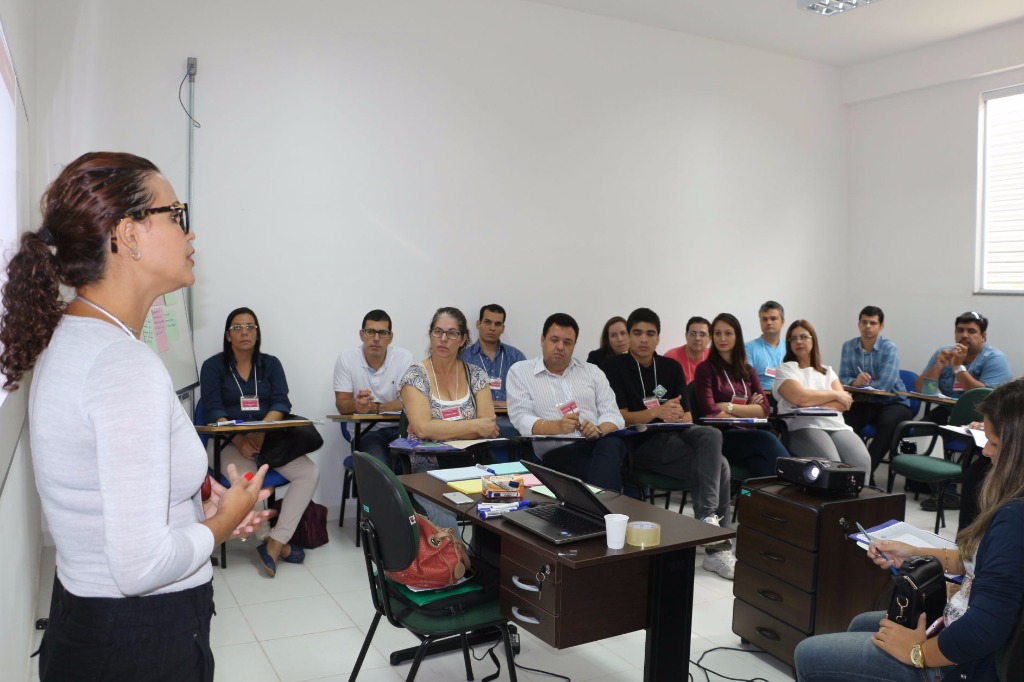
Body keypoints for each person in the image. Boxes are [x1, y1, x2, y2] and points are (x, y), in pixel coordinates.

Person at [0, 152, 268, 681]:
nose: (190, 234)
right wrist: (221, 522)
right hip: (140, 641)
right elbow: (140, 567)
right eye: (176, 215)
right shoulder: (123, 365)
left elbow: (107, 486)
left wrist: (196, 496)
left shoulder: (76, 336)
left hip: (91, 620)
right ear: (129, 234)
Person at [793, 378, 1024, 682]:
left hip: (963, 664)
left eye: (993, 443)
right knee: (862, 624)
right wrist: (913, 553)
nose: (986, 453)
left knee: (807, 655)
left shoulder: (1014, 521)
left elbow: (983, 630)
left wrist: (917, 653)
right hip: (955, 629)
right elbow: (978, 562)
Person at [601, 308, 736, 579]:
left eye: (650, 334)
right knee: (720, 466)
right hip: (640, 442)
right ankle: (715, 545)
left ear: (658, 338)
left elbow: (686, 415)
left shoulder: (670, 367)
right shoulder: (614, 367)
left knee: (712, 435)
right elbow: (618, 417)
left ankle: (707, 523)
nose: (643, 340)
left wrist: (675, 415)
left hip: (677, 435)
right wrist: (656, 413)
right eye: (637, 333)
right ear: (628, 336)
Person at [200, 307, 321, 578]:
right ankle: (268, 542)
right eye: (238, 328)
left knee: (309, 472)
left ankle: (277, 540)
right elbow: (214, 412)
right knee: (249, 479)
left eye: (250, 327)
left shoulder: (271, 364)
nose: (245, 333)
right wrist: (240, 439)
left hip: (268, 439)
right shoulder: (213, 366)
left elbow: (281, 401)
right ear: (228, 335)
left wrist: (261, 432)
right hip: (224, 442)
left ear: (258, 333)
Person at [507, 313, 628, 491]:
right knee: (604, 469)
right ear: (542, 340)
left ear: (574, 345)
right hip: (557, 451)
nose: (560, 347)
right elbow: (521, 418)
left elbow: (614, 416)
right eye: (554, 340)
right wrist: (557, 426)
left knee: (612, 443)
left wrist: (598, 429)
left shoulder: (592, 372)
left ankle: (600, 509)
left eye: (567, 342)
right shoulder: (521, 372)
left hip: (596, 444)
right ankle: (609, 509)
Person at [398, 306, 499, 473]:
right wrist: (475, 425)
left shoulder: (477, 375)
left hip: (473, 462)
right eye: (438, 331)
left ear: (462, 339)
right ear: (430, 335)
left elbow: (488, 427)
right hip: (429, 467)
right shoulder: (415, 376)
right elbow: (422, 429)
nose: (443, 338)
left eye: (452, 333)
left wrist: (437, 429)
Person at [693, 313, 790, 478]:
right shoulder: (705, 369)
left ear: (737, 336)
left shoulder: (747, 370)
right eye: (717, 333)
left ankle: (756, 500)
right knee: (766, 440)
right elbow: (711, 413)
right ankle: (799, 481)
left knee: (762, 468)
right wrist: (749, 409)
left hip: (749, 436)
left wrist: (728, 406)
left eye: (728, 333)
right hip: (721, 437)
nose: (722, 338)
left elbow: (764, 410)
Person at [774, 320, 871, 471]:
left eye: (804, 337)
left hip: (836, 426)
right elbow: (800, 397)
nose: (798, 341)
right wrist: (834, 394)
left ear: (813, 340)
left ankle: (857, 495)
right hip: (803, 426)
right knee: (833, 463)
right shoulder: (785, 369)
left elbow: (844, 403)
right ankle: (834, 495)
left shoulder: (827, 371)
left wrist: (812, 402)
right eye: (793, 338)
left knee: (862, 461)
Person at [837, 306, 913, 485]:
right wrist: (855, 382)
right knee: (844, 419)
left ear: (881, 326)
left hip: (894, 402)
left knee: (888, 423)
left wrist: (863, 384)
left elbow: (884, 385)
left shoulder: (889, 348)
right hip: (865, 401)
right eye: (864, 322)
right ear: (859, 324)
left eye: (873, 323)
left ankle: (865, 472)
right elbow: (842, 378)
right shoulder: (849, 346)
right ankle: (850, 469)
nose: (868, 327)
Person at [333, 309, 413, 464]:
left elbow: (409, 401)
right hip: (366, 432)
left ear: (390, 337)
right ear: (361, 334)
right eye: (370, 332)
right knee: (378, 467)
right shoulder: (347, 358)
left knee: (415, 464)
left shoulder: (404, 358)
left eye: (382, 333)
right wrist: (356, 405)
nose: (376, 338)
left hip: (401, 430)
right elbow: (342, 405)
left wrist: (376, 408)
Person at [915, 311, 1012, 422]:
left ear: (983, 336)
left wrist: (958, 367)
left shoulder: (996, 359)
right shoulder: (944, 353)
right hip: (948, 410)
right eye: (960, 330)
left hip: (981, 417)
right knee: (916, 433)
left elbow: (982, 398)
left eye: (971, 331)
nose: (964, 335)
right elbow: (920, 389)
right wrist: (938, 366)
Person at [460, 303, 526, 440]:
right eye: (487, 322)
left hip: (511, 418)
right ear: (478, 324)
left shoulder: (516, 357)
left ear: (503, 328)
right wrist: (495, 403)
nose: (492, 328)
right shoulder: (463, 358)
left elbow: (527, 395)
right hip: (476, 418)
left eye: (497, 324)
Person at [745, 301, 786, 391]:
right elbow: (747, 379)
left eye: (773, 318)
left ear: (782, 321)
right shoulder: (748, 348)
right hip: (761, 396)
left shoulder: (790, 347)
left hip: (787, 397)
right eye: (764, 319)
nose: (769, 322)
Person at [663, 316, 712, 384]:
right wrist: (666, 394)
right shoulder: (671, 357)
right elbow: (659, 386)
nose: (697, 338)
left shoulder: (714, 357)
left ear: (710, 338)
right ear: (686, 336)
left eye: (702, 334)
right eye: (693, 334)